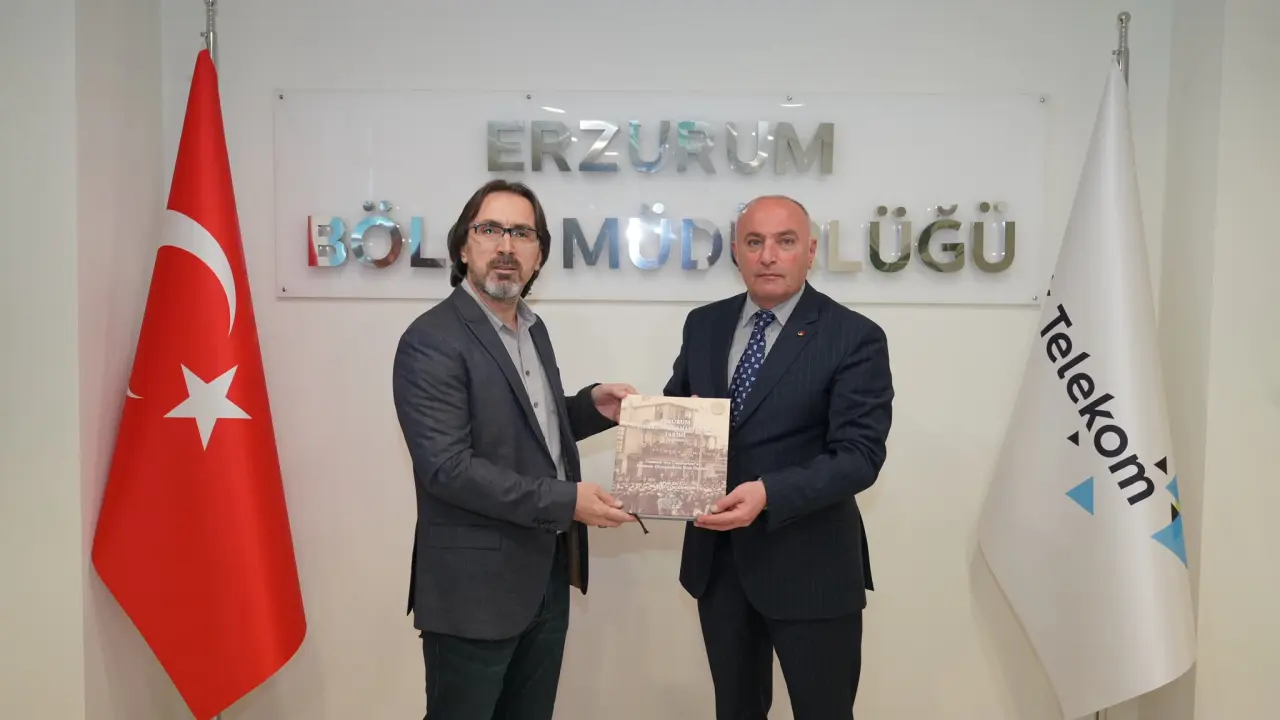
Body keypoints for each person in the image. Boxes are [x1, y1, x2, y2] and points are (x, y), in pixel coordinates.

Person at [392, 179, 637, 720]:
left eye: (522, 233)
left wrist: (591, 408)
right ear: (463, 246)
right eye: (490, 230)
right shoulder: (432, 339)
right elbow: (447, 468)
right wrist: (567, 501)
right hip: (473, 593)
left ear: (539, 254)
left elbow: (524, 428)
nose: (506, 246)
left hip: (544, 577)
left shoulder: (532, 328)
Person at [662, 195, 894, 719]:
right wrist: (653, 432)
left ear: (809, 251)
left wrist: (769, 493)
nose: (768, 255)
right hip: (719, 567)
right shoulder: (704, 324)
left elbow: (859, 456)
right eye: (754, 242)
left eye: (785, 242)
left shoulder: (853, 336)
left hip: (811, 569)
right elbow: (681, 412)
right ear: (736, 252)